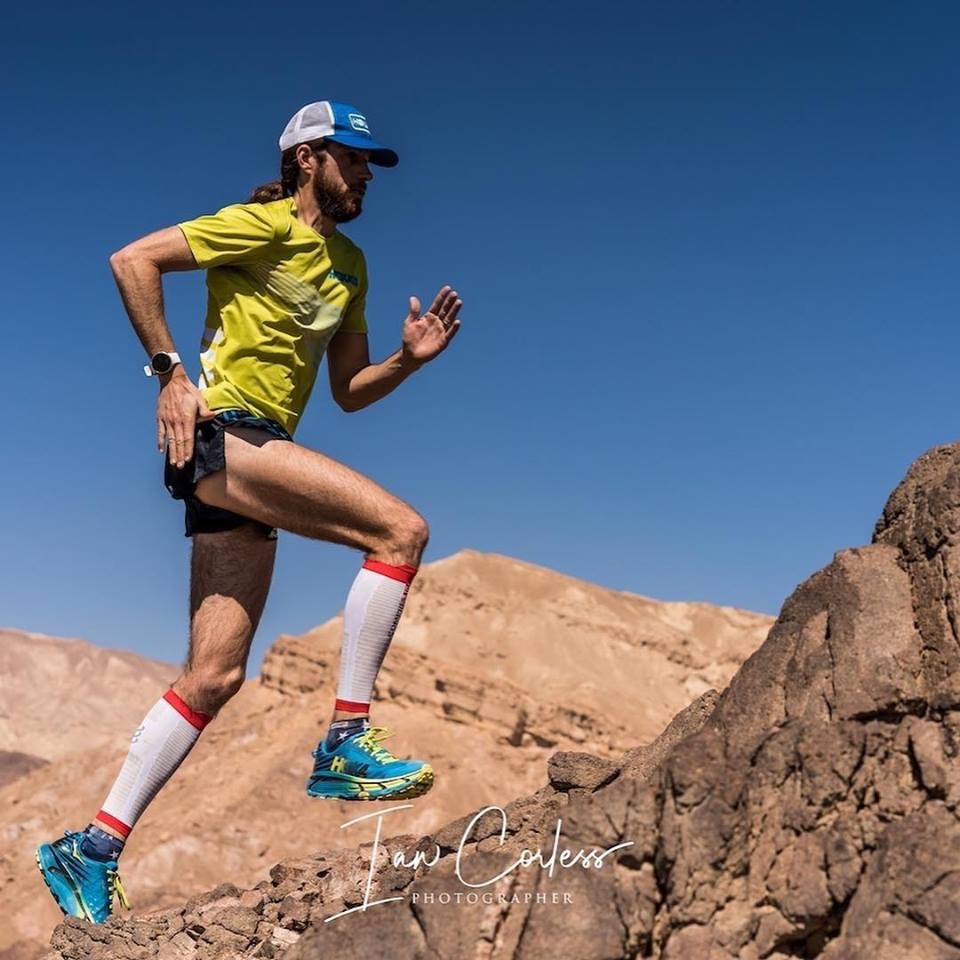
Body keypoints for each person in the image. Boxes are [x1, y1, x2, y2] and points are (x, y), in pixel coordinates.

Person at [36, 100, 462, 925]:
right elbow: (133, 260)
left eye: (370, 163)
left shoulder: (351, 266)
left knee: (214, 676)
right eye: (353, 157)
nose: (366, 173)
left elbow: (348, 390)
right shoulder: (257, 226)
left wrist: (407, 362)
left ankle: (91, 849)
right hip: (224, 436)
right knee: (400, 531)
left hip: (255, 458)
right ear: (307, 159)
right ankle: (346, 741)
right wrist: (169, 372)